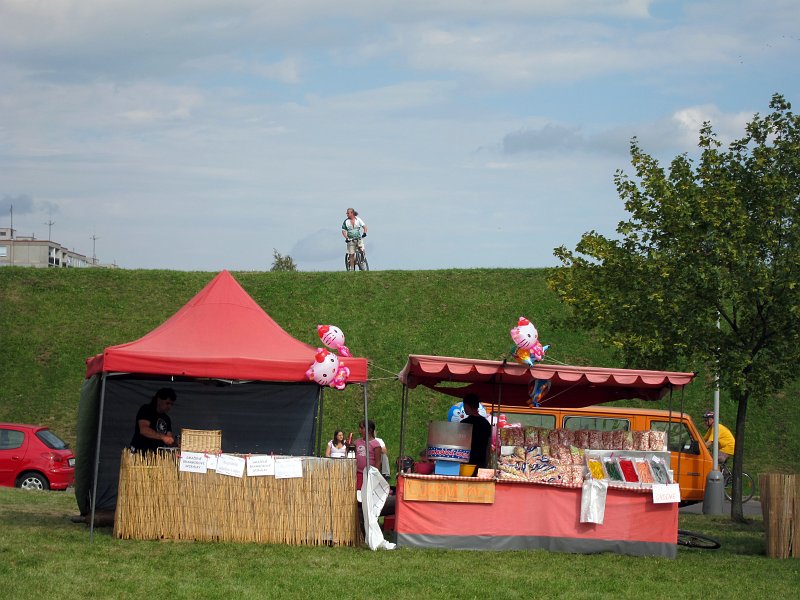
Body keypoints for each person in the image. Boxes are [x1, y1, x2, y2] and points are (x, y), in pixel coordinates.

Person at [130, 387, 177, 454]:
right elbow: (144, 430)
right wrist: (162, 437)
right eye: (167, 403)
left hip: (156, 456)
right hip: (140, 453)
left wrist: (176, 445)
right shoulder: (146, 409)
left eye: (171, 404)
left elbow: (169, 438)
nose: (169, 407)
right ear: (158, 400)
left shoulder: (167, 418)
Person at [461, 393, 492, 472]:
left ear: (467, 406)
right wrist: (487, 461)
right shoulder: (486, 423)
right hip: (481, 462)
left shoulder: (464, 423)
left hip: (465, 462)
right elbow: (489, 445)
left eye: (464, 406)